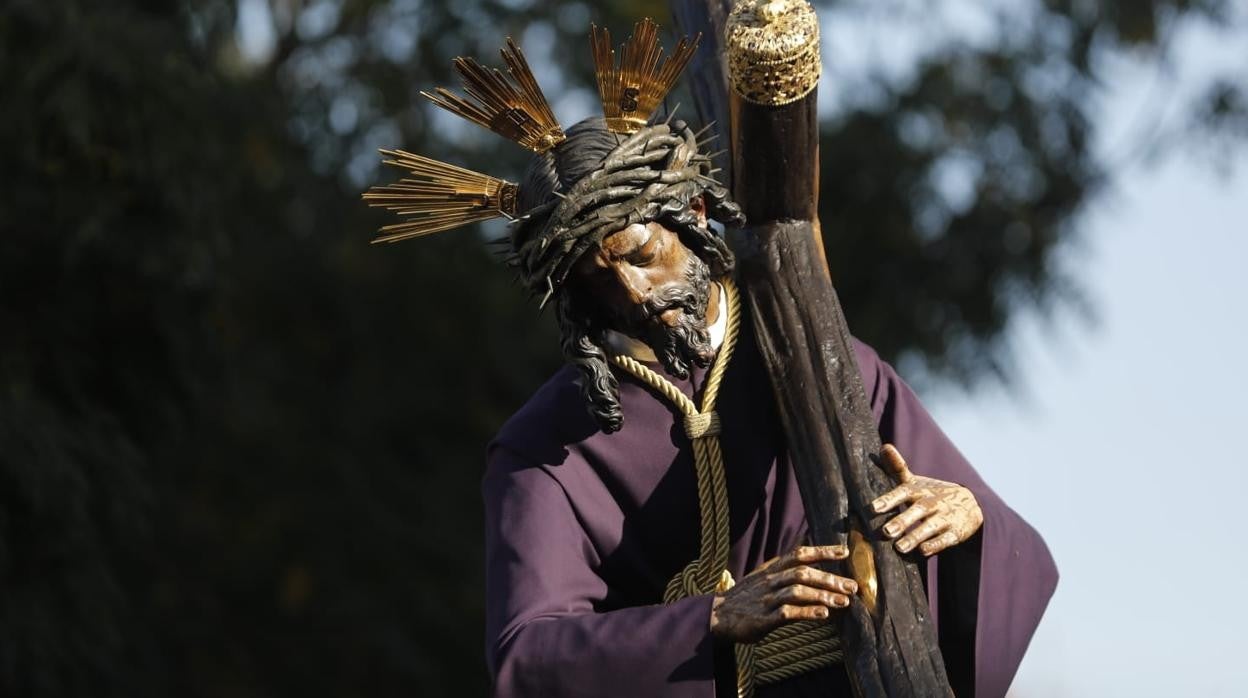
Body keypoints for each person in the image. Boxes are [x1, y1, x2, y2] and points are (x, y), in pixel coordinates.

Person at [364, 19, 1057, 698]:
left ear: (693, 211)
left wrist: (966, 520)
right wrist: (711, 620)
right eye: (597, 281)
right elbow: (528, 655)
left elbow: (1015, 551)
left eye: (640, 255)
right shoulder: (545, 449)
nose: (633, 293)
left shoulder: (829, 360)